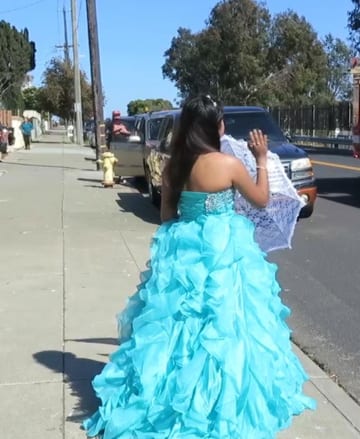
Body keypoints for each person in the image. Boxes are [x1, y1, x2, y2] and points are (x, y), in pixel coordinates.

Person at [82, 94, 316, 438]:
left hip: (184, 248)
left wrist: (193, 214)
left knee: (178, 324)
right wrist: (261, 159)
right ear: (216, 127)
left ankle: (172, 393)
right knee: (225, 324)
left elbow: (167, 216)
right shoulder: (228, 164)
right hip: (224, 248)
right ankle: (219, 398)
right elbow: (261, 199)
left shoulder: (174, 166)